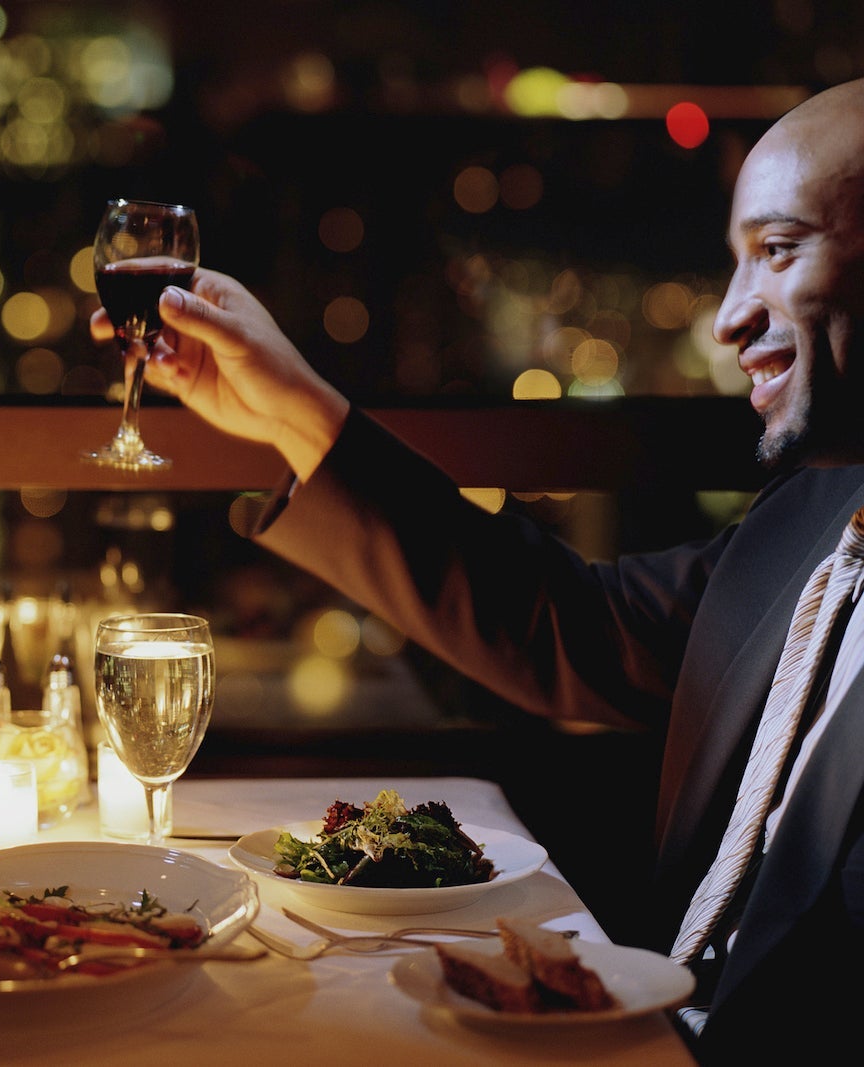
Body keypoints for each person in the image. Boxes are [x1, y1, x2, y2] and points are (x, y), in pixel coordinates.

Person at [95, 78, 864, 1062]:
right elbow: (572, 624)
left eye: (779, 249)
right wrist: (292, 409)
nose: (727, 317)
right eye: (734, 260)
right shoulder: (809, 518)